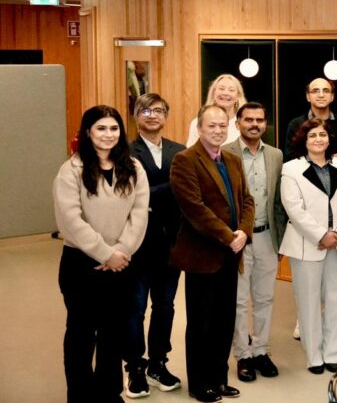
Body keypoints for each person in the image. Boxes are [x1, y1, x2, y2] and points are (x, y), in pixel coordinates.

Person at [55, 105, 149, 403]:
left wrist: (121, 251)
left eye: (114, 128)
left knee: (113, 332)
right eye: (101, 128)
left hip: (122, 263)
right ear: (88, 132)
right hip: (81, 264)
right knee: (81, 333)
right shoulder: (71, 170)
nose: (108, 134)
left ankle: (109, 393)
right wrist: (105, 253)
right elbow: (71, 220)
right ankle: (80, 396)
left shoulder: (133, 167)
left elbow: (139, 214)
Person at [171, 104, 255, 403]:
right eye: (212, 125)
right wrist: (229, 237)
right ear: (199, 128)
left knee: (224, 320)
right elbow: (195, 209)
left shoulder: (232, 159)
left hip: (231, 253)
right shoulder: (185, 160)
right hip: (202, 256)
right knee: (201, 323)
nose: (218, 130)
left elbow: (247, 200)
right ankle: (199, 383)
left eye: (222, 125)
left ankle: (219, 379)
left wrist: (243, 232)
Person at [279, 118, 337, 374]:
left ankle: (334, 354)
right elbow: (294, 209)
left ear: (329, 139)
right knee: (308, 301)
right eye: (312, 135)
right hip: (306, 244)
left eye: (322, 135)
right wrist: (321, 235)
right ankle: (314, 356)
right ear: (303, 140)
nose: (318, 139)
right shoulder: (291, 169)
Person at [125, 94, 186, 396]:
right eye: (145, 110)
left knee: (165, 306)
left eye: (158, 110)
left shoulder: (179, 151)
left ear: (166, 116)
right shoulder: (125, 152)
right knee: (134, 309)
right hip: (136, 243)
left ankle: (158, 363)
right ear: (137, 116)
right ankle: (135, 367)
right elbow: (129, 194)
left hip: (171, 244)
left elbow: (187, 192)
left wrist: (151, 194)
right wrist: (171, 188)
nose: (152, 115)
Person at [222, 103, 284, 383]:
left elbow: (278, 200)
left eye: (260, 120)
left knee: (265, 298)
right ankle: (243, 355)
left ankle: (260, 350)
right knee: (238, 300)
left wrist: (280, 239)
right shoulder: (225, 153)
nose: (255, 124)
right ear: (238, 123)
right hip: (237, 238)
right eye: (248, 119)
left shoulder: (275, 155)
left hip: (267, 236)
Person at [283, 77, 337, 161]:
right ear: (308, 96)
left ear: (332, 96)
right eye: (315, 91)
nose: (321, 95)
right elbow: (289, 157)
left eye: (326, 91)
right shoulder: (296, 124)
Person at [186, 74, 245, 147]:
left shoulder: (244, 124)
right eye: (221, 89)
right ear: (213, 93)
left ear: (238, 96)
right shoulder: (198, 122)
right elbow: (191, 151)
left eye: (231, 90)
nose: (225, 93)